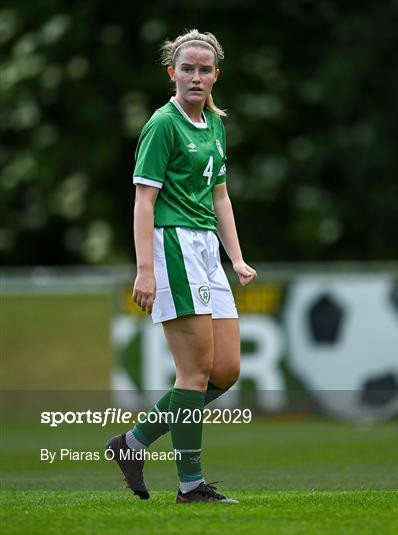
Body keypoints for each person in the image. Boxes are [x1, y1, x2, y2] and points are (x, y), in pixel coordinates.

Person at [107, 28, 257, 504]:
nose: (196, 76)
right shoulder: (162, 124)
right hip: (172, 247)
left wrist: (235, 257)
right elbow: (143, 201)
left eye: (205, 69)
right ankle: (191, 485)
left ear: (216, 75)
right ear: (171, 73)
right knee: (192, 373)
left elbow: (221, 196)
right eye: (187, 68)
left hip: (207, 252)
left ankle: (132, 444)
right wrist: (145, 269)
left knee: (226, 371)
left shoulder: (214, 124)